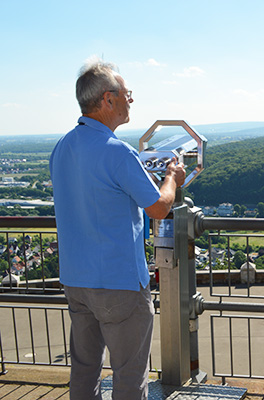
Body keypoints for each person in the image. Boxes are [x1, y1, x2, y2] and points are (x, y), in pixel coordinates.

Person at [50, 58, 185, 400]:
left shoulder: (62, 147)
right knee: (128, 375)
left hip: (76, 280)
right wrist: (172, 178)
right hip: (119, 283)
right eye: (127, 93)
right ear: (108, 100)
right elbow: (158, 206)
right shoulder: (118, 153)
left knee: (83, 369)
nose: (131, 100)